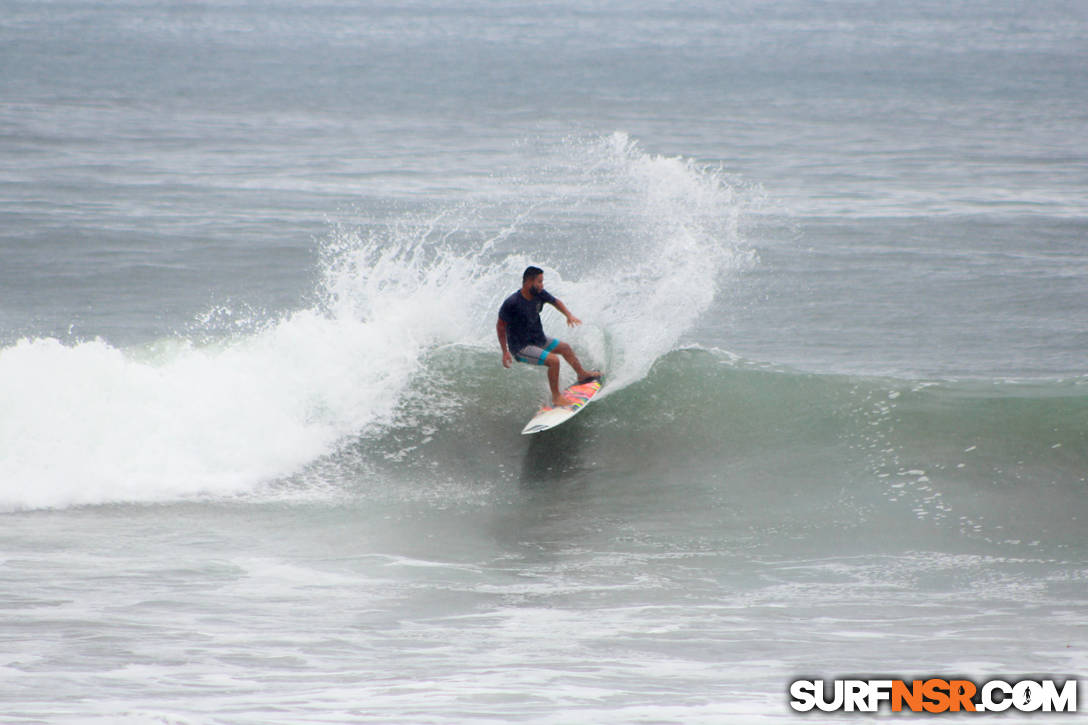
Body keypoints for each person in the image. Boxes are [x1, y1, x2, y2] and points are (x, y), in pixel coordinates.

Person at [497, 266, 601, 408]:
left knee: (565, 348)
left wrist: (568, 315)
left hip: (538, 339)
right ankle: (556, 397)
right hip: (521, 347)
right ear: (528, 282)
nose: (542, 285)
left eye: (542, 282)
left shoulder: (539, 294)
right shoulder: (512, 303)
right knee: (554, 361)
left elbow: (556, 302)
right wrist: (505, 351)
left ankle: (582, 374)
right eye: (539, 282)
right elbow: (500, 326)